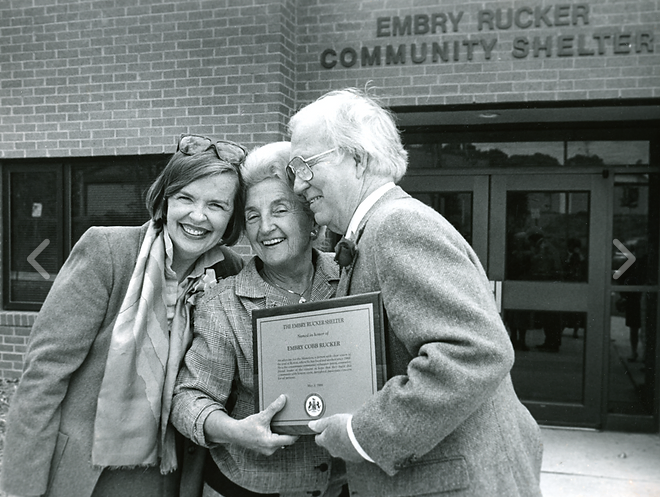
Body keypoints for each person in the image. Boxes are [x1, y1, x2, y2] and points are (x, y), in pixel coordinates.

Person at [288, 88, 543, 496]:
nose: (298, 185)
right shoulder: (380, 228)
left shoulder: (396, 227)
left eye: (304, 165)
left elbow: (475, 352)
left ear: (358, 158)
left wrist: (360, 434)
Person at [1, 135, 247, 497]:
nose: (198, 215)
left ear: (231, 219)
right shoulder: (107, 251)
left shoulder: (230, 271)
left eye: (216, 205)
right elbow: (44, 375)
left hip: (172, 473)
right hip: (87, 473)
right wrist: (19, 489)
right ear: (165, 201)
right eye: (186, 198)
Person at [171, 142, 346, 497]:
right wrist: (237, 432)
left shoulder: (350, 278)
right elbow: (189, 398)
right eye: (253, 216)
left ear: (312, 219)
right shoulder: (222, 303)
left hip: (344, 485)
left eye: (279, 210)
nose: (265, 227)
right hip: (248, 487)